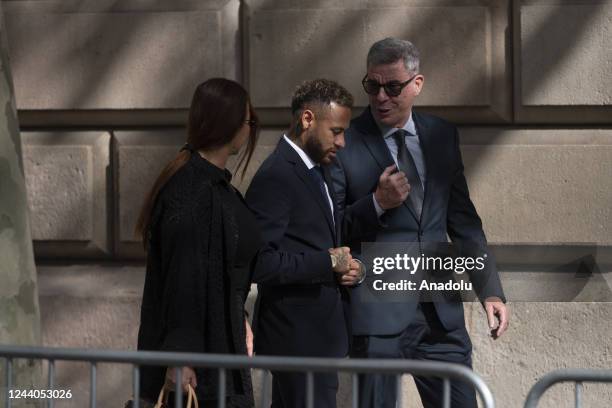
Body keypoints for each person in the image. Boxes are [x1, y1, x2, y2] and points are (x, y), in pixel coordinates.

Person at [330, 38, 510, 408]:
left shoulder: (442, 135)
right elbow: (331, 227)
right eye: (372, 85)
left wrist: (489, 289)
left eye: (392, 87)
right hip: (378, 312)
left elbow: (463, 222)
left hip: (440, 314)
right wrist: (377, 204)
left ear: (417, 84)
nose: (381, 97)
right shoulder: (346, 142)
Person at [134, 78, 260, 407]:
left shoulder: (214, 187)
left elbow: (223, 269)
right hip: (201, 358)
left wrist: (241, 318)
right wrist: (179, 357)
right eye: (249, 120)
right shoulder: (190, 189)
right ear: (231, 124)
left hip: (222, 341)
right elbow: (182, 278)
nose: (250, 129)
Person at [245, 79, 363, 408]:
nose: (342, 142)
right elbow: (259, 262)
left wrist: (353, 269)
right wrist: (326, 263)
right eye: (336, 131)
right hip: (297, 341)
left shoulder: (321, 170)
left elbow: (332, 240)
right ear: (307, 119)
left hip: (319, 339)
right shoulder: (276, 175)